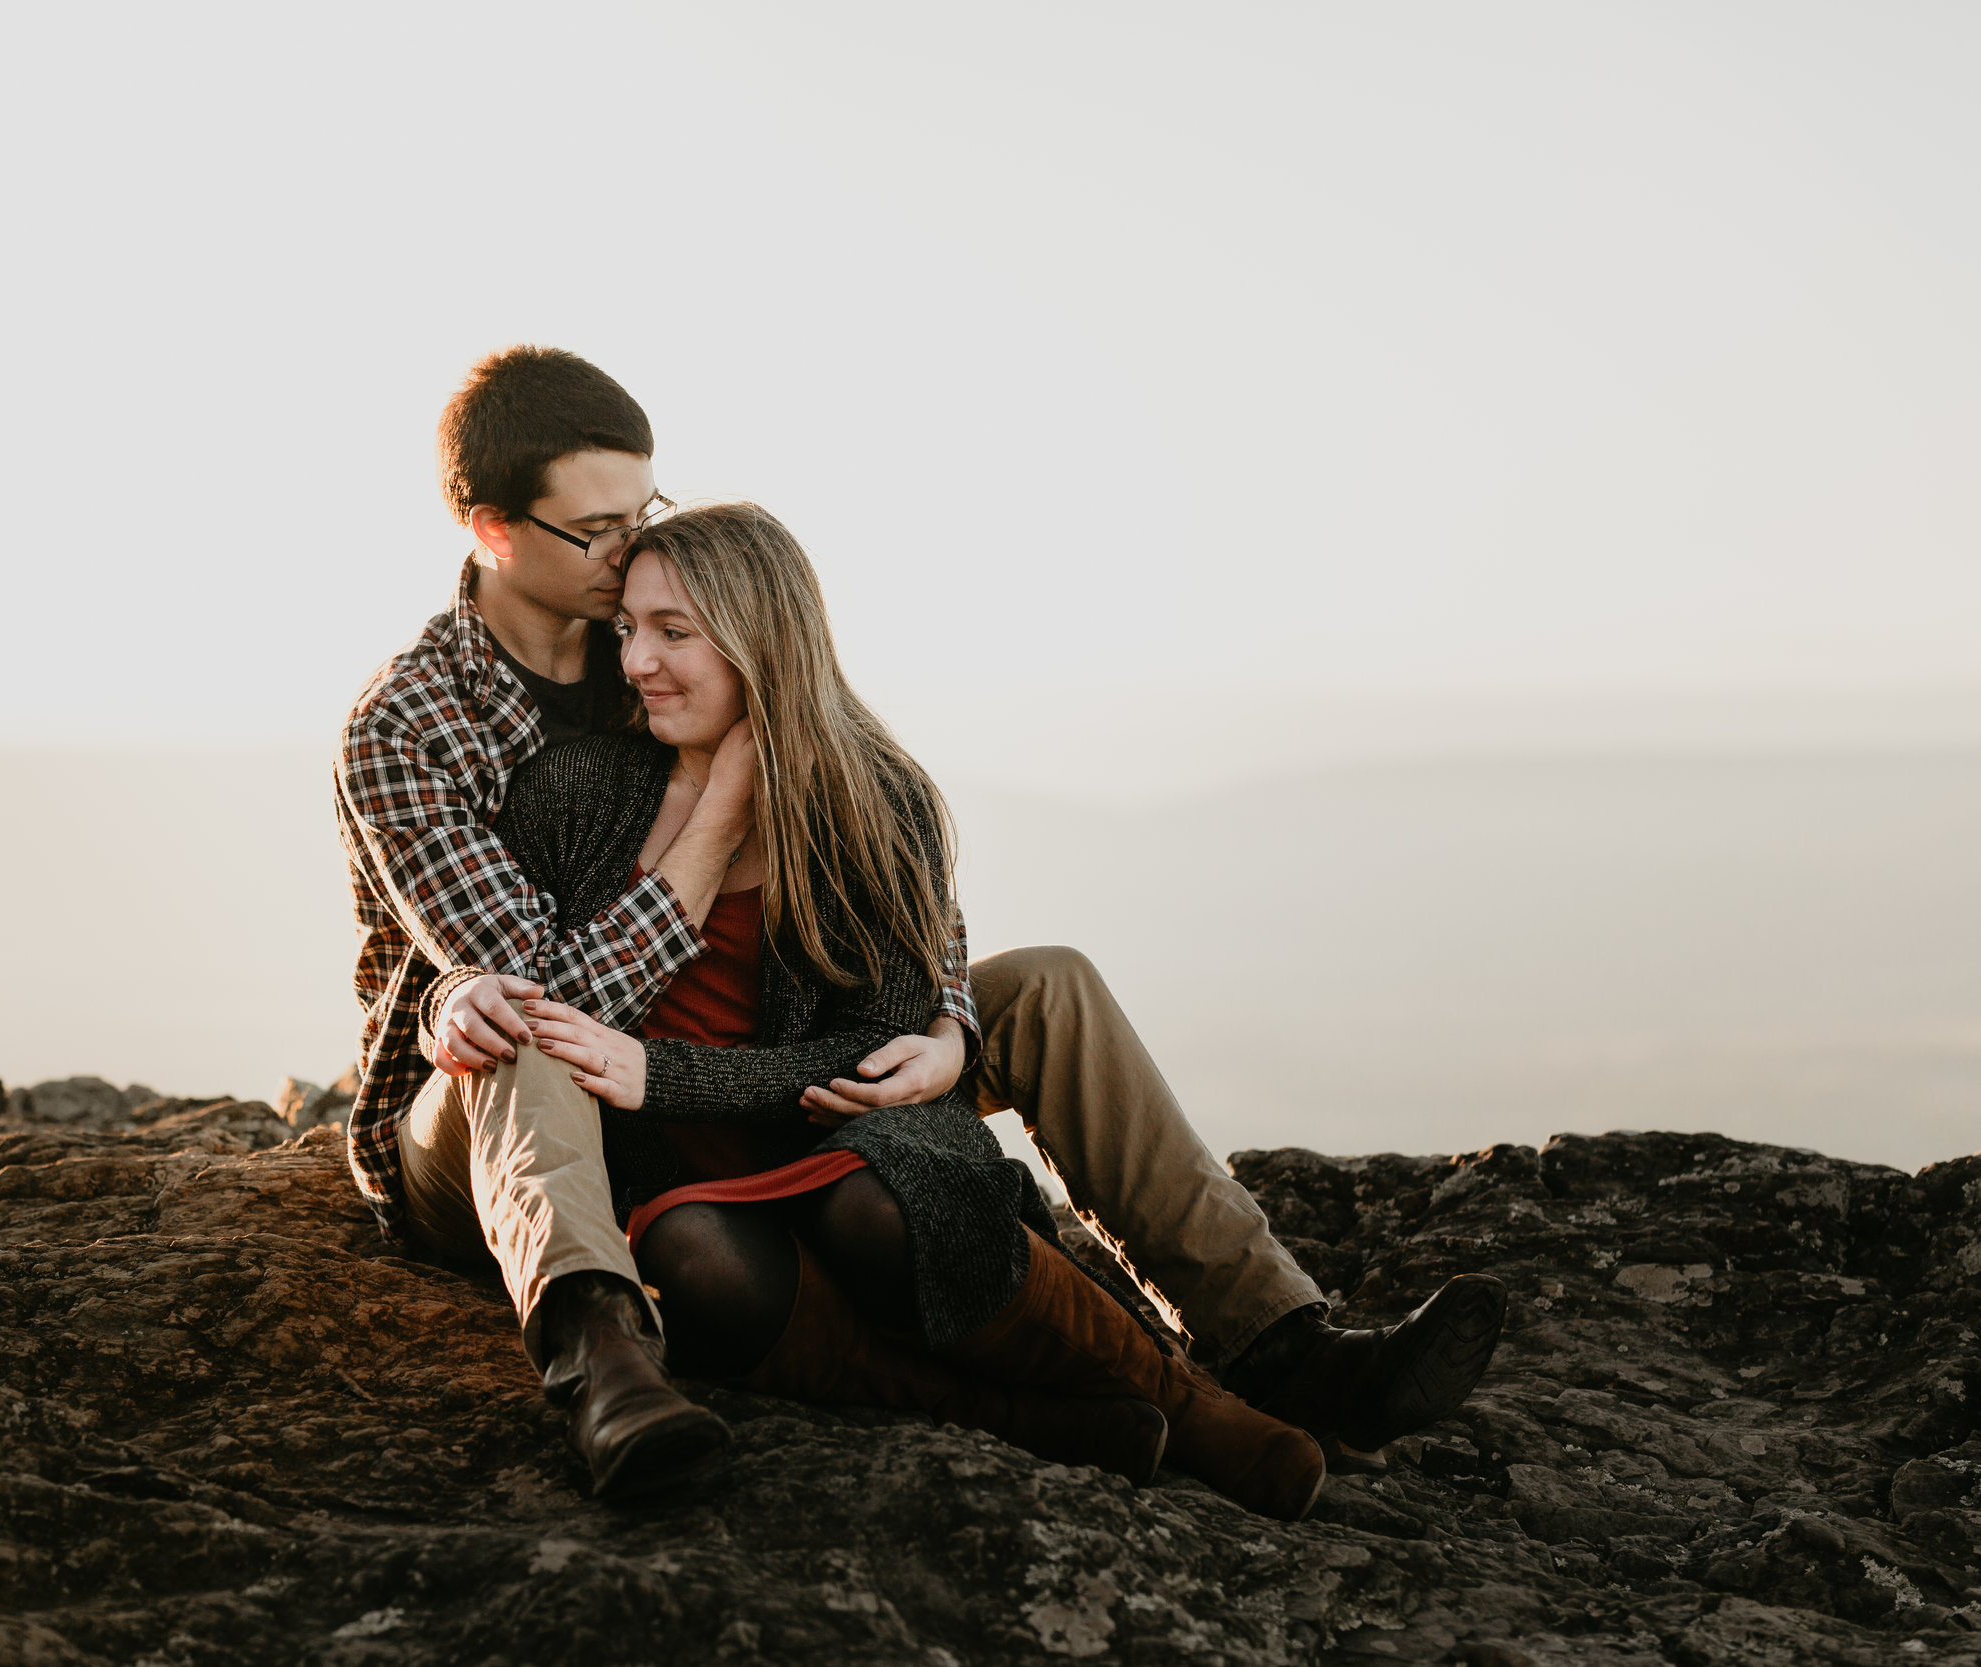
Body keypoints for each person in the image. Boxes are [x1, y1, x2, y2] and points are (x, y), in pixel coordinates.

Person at [332, 345, 1504, 1497]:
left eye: (646, 510)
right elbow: (553, 999)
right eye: (597, 530)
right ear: (492, 530)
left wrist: (947, 1020)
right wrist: (713, 806)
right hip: (489, 1115)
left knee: (1045, 986)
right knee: (519, 1037)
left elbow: (865, 824)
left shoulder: (651, 614)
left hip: (721, 1033)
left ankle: (1288, 1346)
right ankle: (600, 1357)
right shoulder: (413, 724)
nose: (631, 558)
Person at [431, 503, 1331, 1517]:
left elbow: (873, 1040)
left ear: (762, 636)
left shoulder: (872, 795)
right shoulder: (576, 789)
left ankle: (1189, 1399)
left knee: (882, 1201)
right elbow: (510, 978)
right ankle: (1029, 1418)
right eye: (628, 629)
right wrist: (461, 998)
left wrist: (665, 1071)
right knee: (689, 1254)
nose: (638, 660)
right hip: (667, 1174)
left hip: (825, 1136)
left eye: (674, 631)